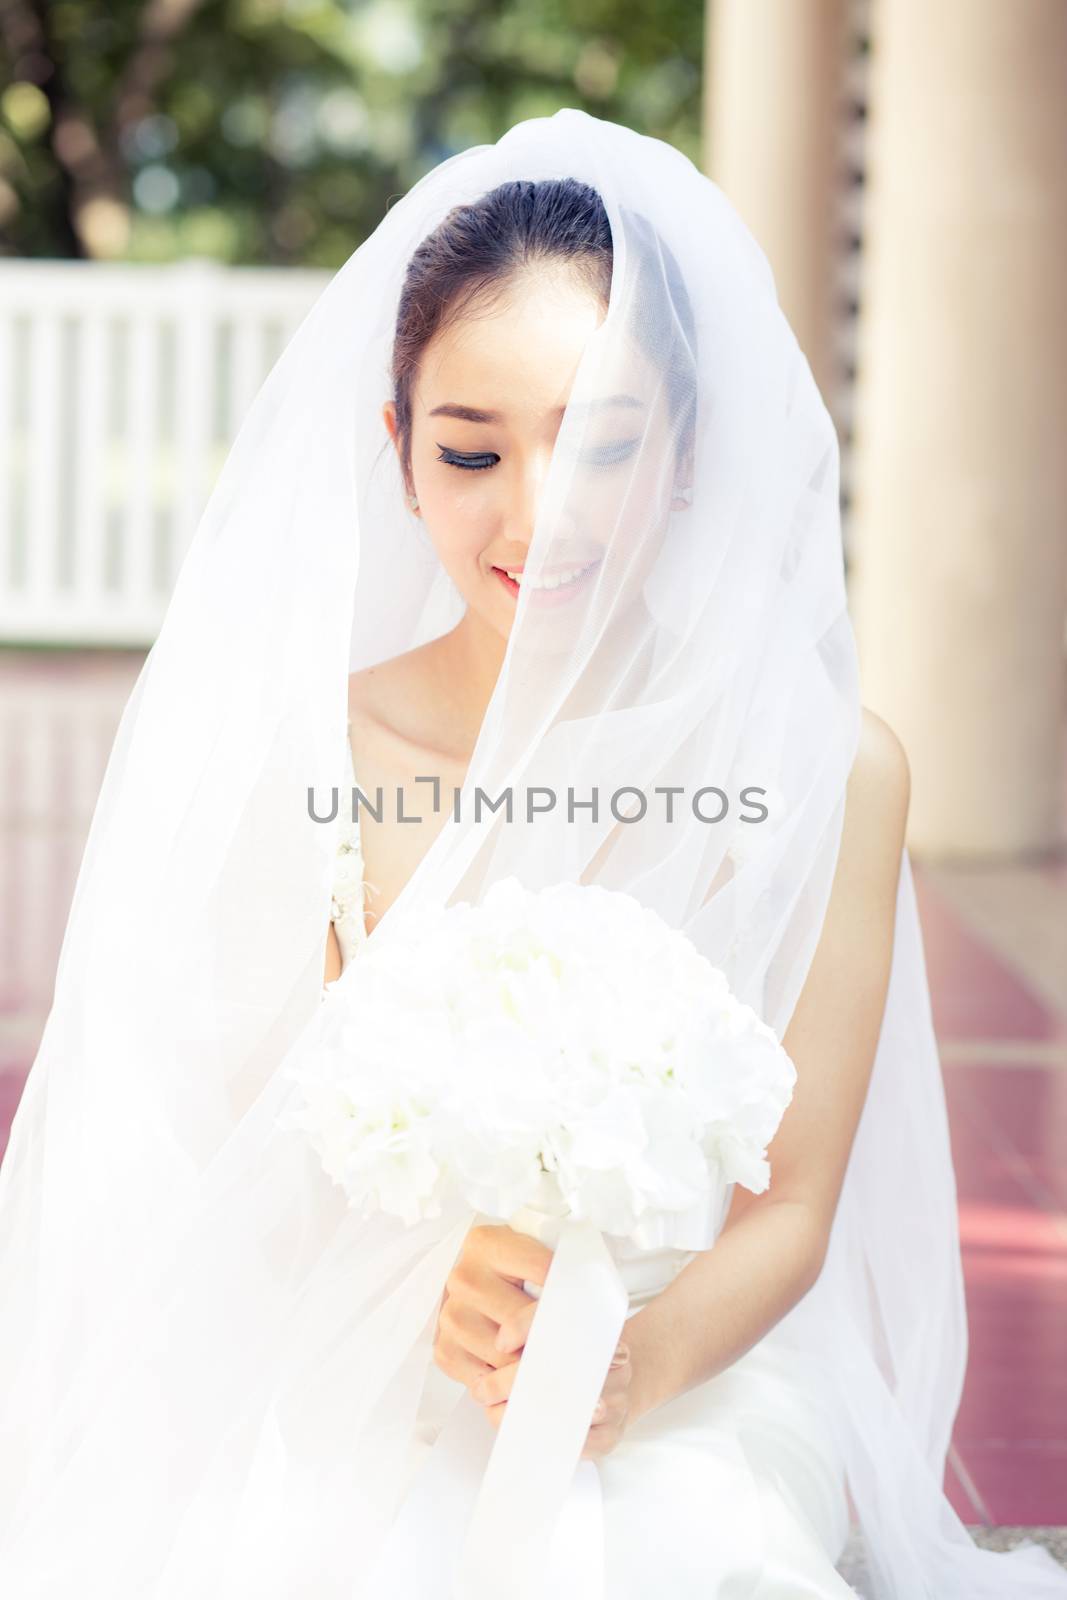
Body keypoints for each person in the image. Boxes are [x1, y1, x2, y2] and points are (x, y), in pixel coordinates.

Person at [1, 109, 1064, 1599]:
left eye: (605, 442)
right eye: (472, 450)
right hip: (373, 1355)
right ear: (401, 454)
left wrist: (629, 1365)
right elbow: (251, 1160)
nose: (538, 510)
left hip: (688, 1360)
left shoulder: (831, 769)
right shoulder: (320, 752)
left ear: (689, 450)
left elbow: (797, 1206)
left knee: (656, 1549)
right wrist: (443, 1302)